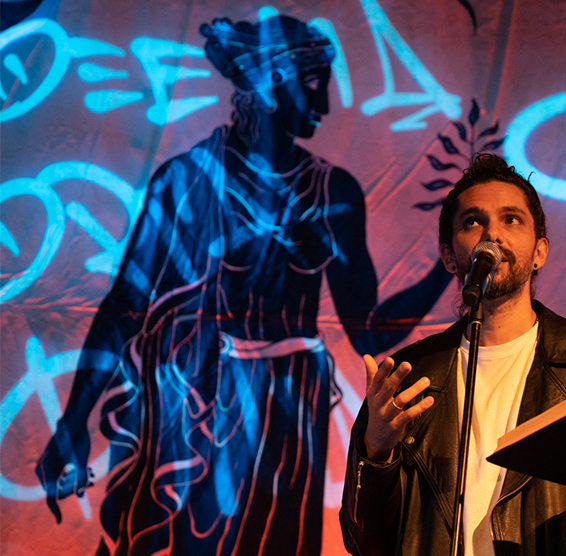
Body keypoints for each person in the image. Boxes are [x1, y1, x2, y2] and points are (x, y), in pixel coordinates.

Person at [36, 13, 450, 556]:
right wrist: (72, 421)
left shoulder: (333, 192)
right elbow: (126, 306)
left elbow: (369, 333)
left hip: (287, 412)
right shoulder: (184, 180)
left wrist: (449, 265)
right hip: (193, 406)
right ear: (272, 84)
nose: (324, 106)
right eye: (313, 85)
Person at [340, 153, 566, 556]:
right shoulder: (408, 381)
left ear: (540, 252)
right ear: (449, 255)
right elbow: (365, 542)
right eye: (473, 221)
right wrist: (376, 455)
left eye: (511, 219)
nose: (491, 234)